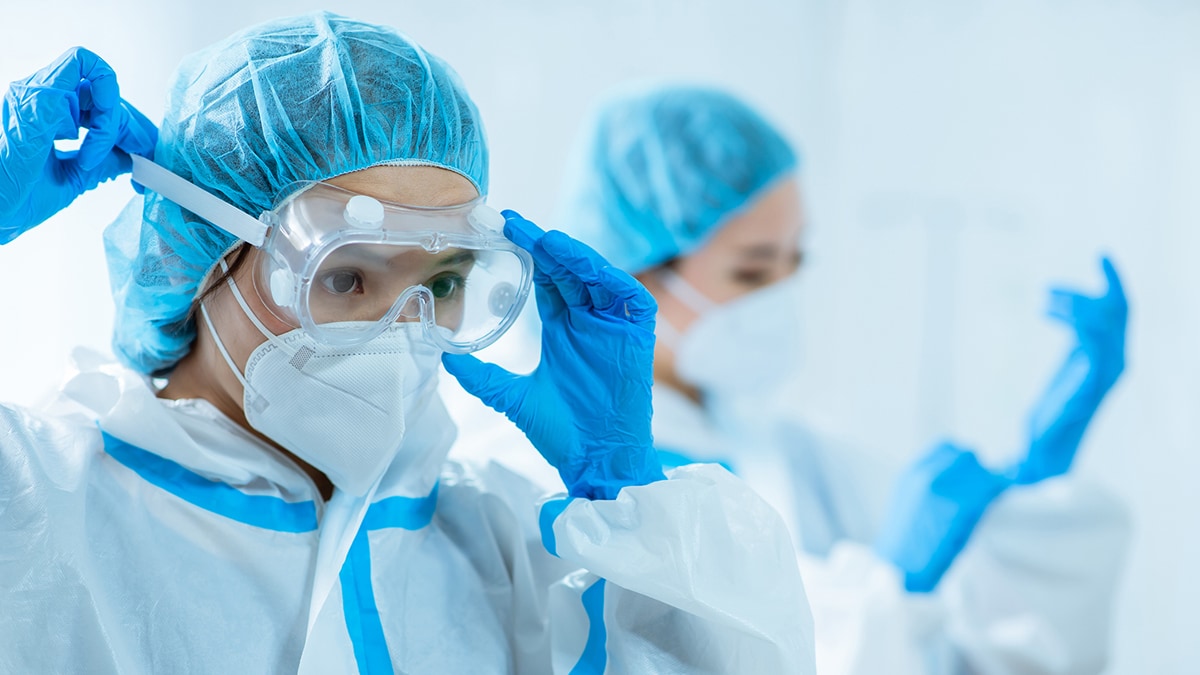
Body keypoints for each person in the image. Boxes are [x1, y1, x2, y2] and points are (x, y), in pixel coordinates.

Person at [0, 16, 816, 673]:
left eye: (446, 284)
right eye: (350, 277)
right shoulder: (38, 501)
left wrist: (628, 495)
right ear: (202, 261)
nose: (402, 332)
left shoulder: (508, 542)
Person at [536, 84, 1130, 673]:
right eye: (752, 271)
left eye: (795, 262)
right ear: (629, 272)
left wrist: (1039, 483)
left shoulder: (784, 452)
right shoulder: (562, 473)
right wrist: (889, 592)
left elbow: (981, 643)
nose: (778, 299)